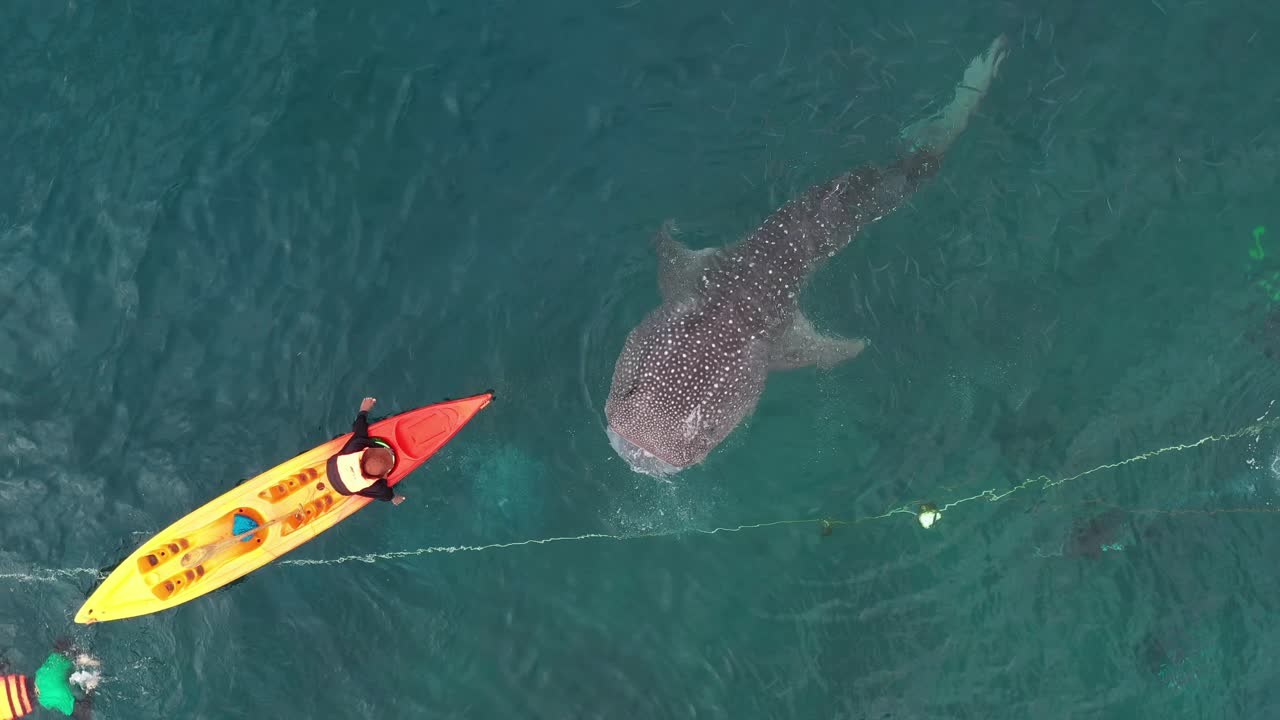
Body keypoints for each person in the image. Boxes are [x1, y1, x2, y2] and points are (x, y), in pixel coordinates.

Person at [325, 397, 406, 506]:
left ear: (366, 452)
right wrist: (394, 498)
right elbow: (386, 494)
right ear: (382, 477)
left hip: (331, 465)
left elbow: (359, 428)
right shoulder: (376, 487)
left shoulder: (356, 446)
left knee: (354, 440)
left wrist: (364, 410)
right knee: (365, 491)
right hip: (343, 489)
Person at [0, 641, 100, 719]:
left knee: (83, 714)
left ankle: (90, 685)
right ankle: (84, 659)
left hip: (49, 695)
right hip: (46, 674)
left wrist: (90, 693)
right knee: (62, 646)